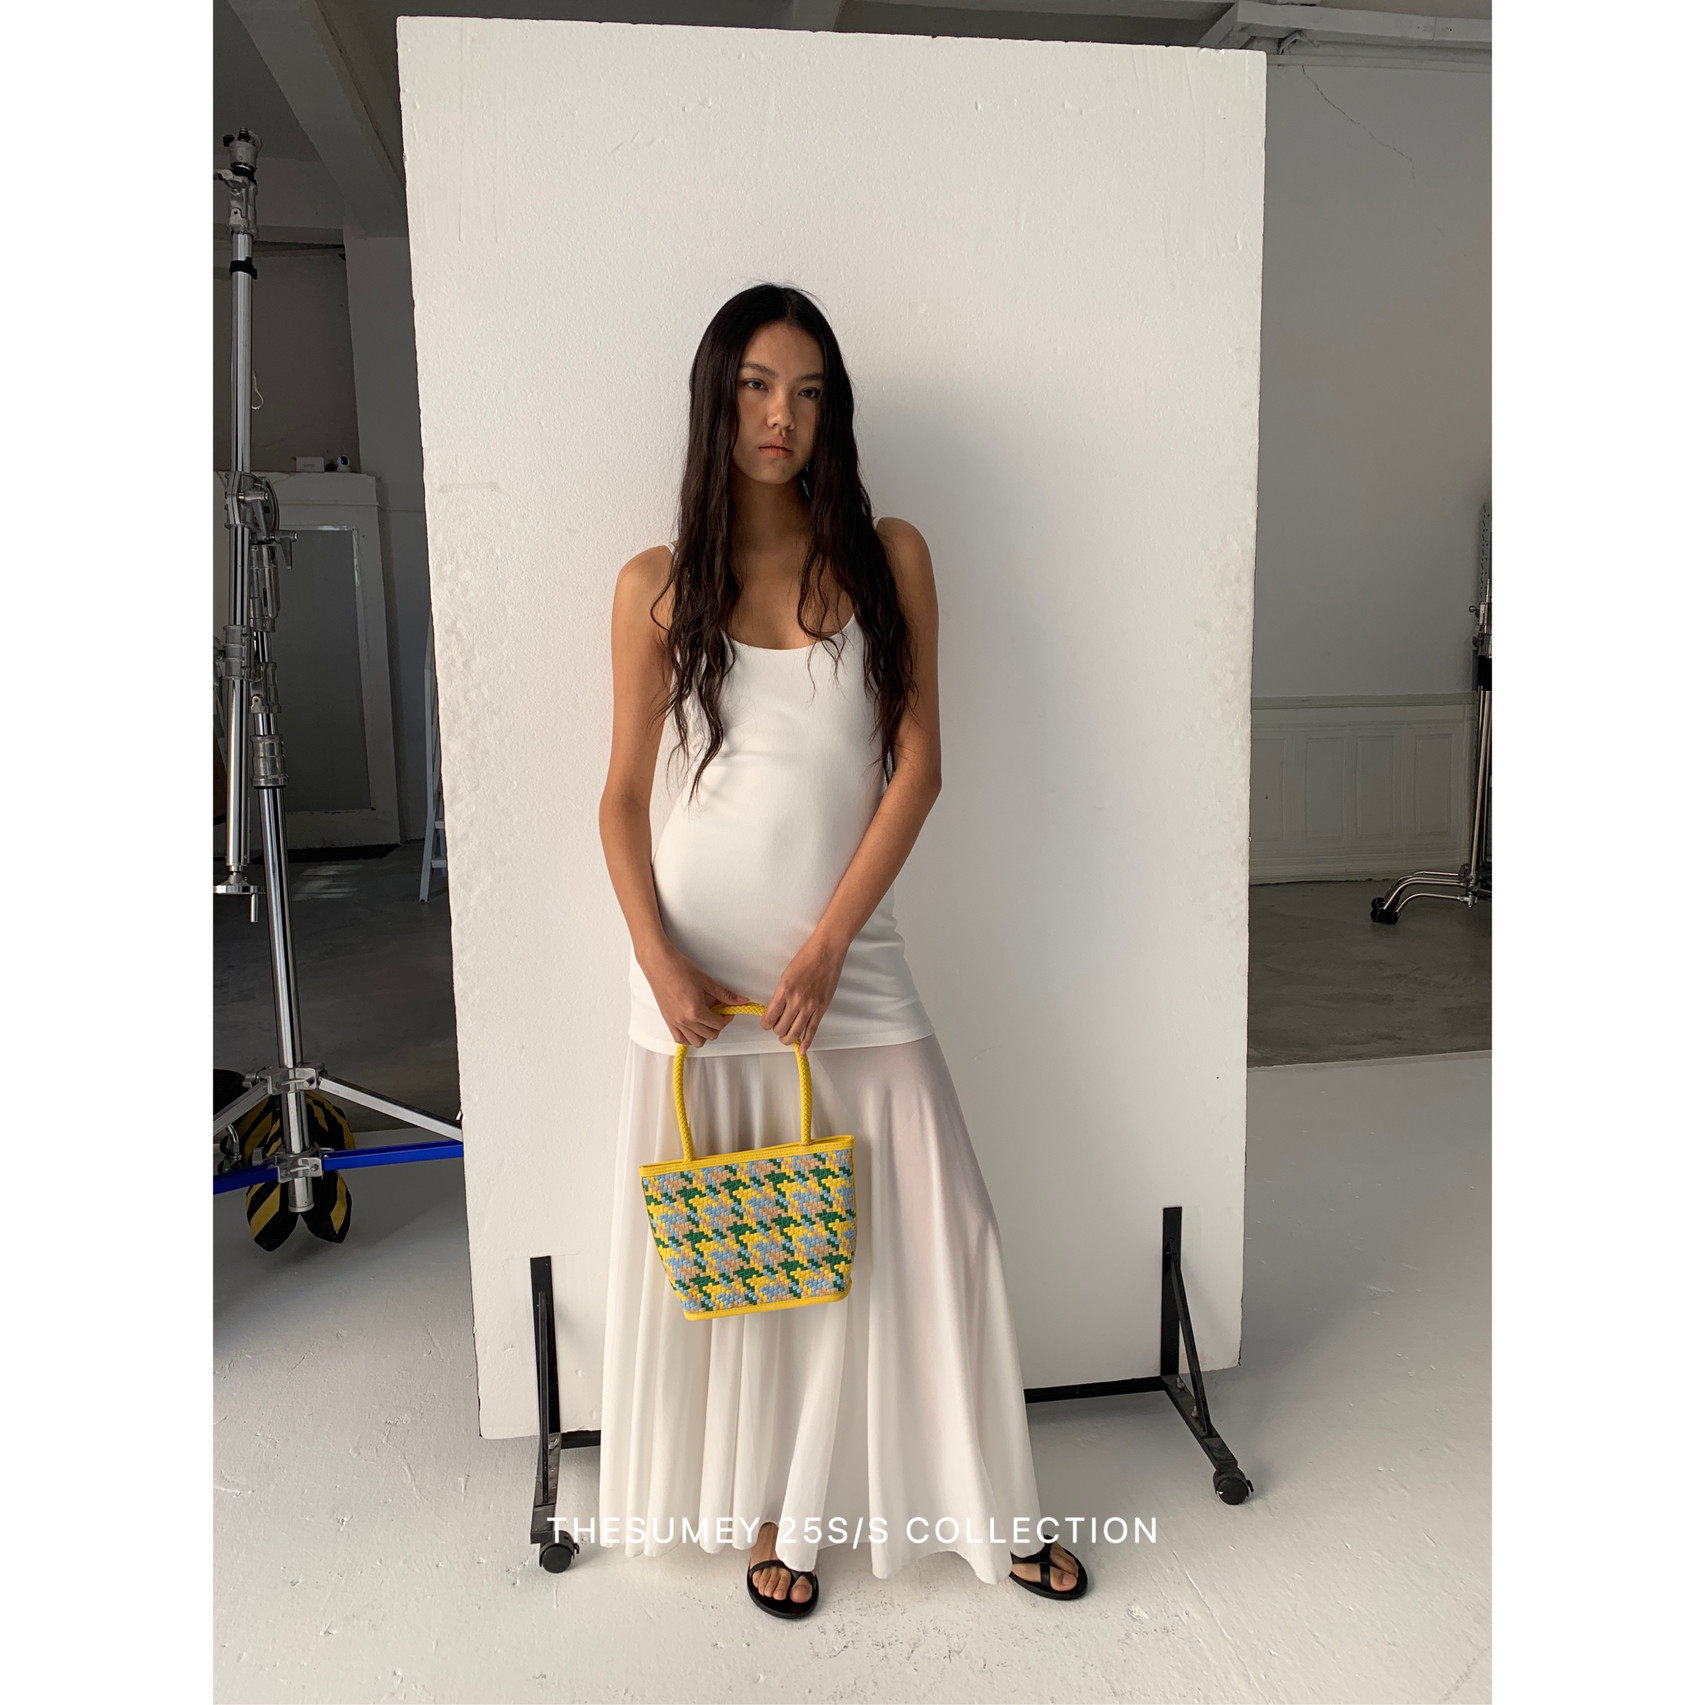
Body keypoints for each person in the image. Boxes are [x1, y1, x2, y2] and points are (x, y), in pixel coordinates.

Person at [597, 283, 1087, 1618]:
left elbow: (919, 768)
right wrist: (657, 961)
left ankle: (995, 1513)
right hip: (697, 984)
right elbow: (621, 799)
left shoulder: (887, 555)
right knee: (761, 1255)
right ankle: (784, 1512)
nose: (782, 416)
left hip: (845, 966)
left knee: (945, 1230)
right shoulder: (654, 585)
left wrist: (826, 948)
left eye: (809, 393)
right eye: (758, 386)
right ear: (717, 399)